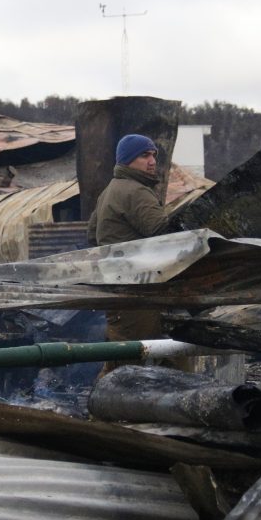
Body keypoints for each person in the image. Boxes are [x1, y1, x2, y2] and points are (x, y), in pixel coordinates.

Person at [87, 134, 172, 361]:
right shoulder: (136, 191)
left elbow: (91, 235)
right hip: (138, 291)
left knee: (126, 355)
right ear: (127, 160)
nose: (152, 161)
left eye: (154, 155)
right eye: (144, 155)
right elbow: (164, 234)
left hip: (117, 290)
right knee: (131, 360)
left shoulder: (109, 191)